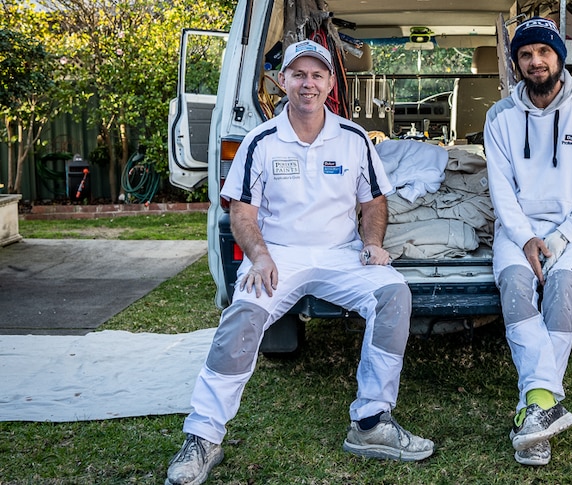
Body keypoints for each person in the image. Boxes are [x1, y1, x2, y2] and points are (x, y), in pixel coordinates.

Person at [165, 39, 434, 485]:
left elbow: (373, 202)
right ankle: (203, 437)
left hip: (341, 255)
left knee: (394, 294)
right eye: (299, 75)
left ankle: (371, 423)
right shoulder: (260, 140)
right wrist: (260, 256)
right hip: (280, 256)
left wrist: (371, 244)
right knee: (242, 316)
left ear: (330, 83)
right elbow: (242, 212)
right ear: (282, 81)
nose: (308, 83)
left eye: (317, 75)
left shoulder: (353, 139)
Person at [483, 17, 572, 466]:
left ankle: (533, 408)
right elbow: (501, 189)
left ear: (559, 56)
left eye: (543, 52)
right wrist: (525, 238)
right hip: (517, 232)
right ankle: (542, 407)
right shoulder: (499, 116)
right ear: (517, 63)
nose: (535, 61)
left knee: (562, 291)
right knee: (517, 290)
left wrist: (558, 237)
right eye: (525, 54)